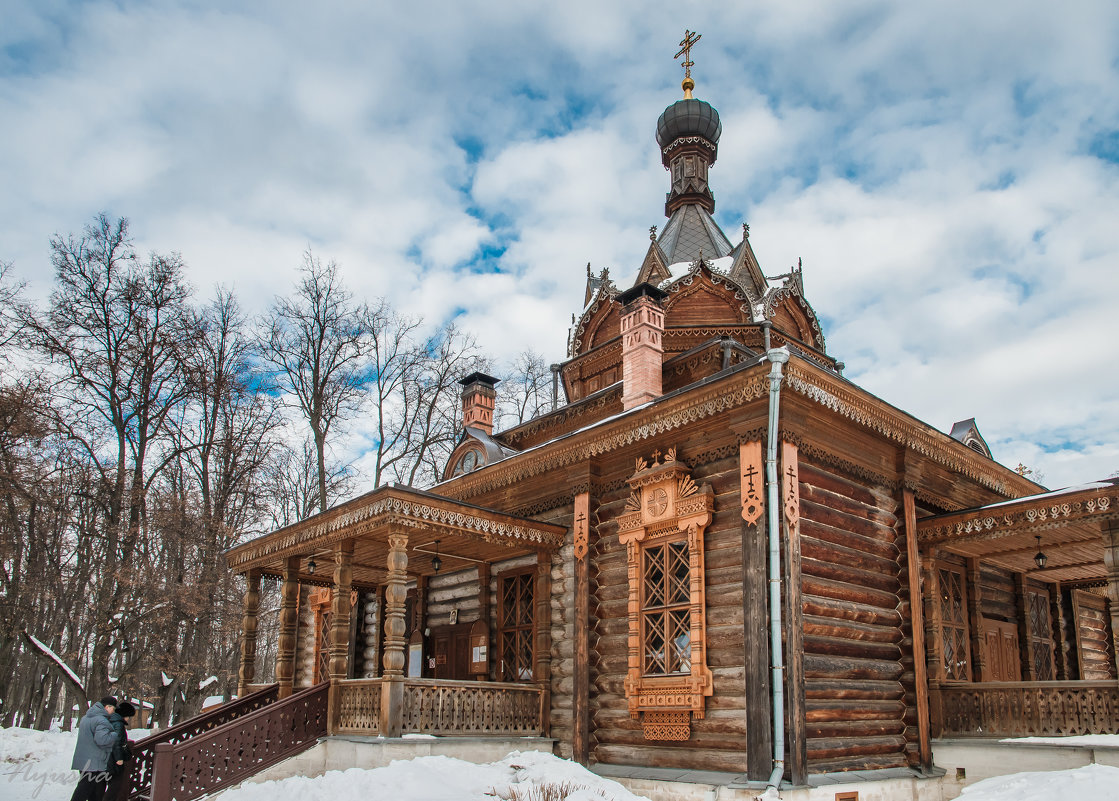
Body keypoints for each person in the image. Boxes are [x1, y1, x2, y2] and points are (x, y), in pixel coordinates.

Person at [71, 696, 119, 801]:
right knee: (84, 790)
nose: (113, 711)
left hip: (83, 759)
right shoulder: (102, 720)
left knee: (93, 790)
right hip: (94, 761)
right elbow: (102, 740)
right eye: (113, 709)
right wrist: (114, 735)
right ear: (107, 707)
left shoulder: (86, 718)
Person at [104, 701, 136, 801]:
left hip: (104, 758)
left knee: (102, 787)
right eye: (128, 716)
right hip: (112, 760)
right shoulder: (118, 724)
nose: (128, 719)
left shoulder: (109, 720)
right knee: (115, 786)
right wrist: (119, 759)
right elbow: (116, 742)